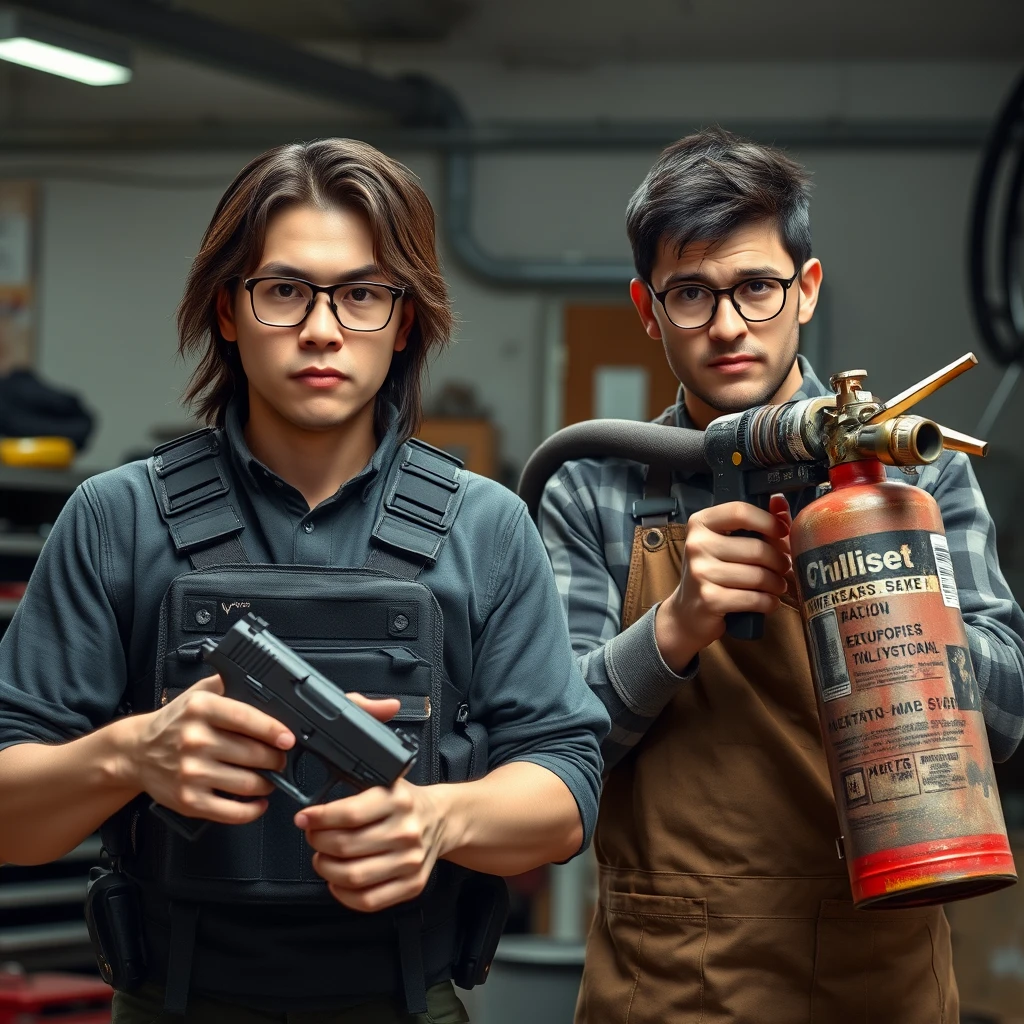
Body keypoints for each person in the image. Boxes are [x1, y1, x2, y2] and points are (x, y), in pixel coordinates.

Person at [0, 138, 608, 1024]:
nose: (322, 327)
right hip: (175, 999)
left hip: (404, 999)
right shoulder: (115, 518)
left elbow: (566, 787)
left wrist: (439, 819)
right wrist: (130, 753)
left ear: (404, 321)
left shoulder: (486, 526)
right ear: (229, 309)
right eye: (285, 290)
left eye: (362, 294)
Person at [538, 126, 1024, 1024]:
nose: (726, 326)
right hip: (672, 982)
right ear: (649, 310)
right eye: (691, 293)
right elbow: (552, 756)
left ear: (804, 291)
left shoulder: (919, 473)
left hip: (881, 972)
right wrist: (674, 629)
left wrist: (894, 597)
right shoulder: (594, 485)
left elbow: (1009, 724)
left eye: (755, 287)